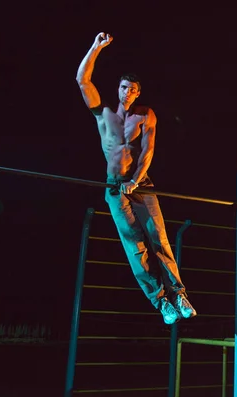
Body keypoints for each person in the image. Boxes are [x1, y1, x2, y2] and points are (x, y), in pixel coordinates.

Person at [75, 32, 196, 325]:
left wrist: (137, 178)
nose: (127, 92)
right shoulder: (103, 113)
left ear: (138, 93)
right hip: (114, 188)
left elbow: (148, 150)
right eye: (123, 87)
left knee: (159, 238)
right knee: (134, 246)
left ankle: (178, 294)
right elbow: (83, 80)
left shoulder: (144, 115)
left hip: (142, 184)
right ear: (118, 88)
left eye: (132, 89)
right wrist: (95, 47)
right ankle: (161, 301)